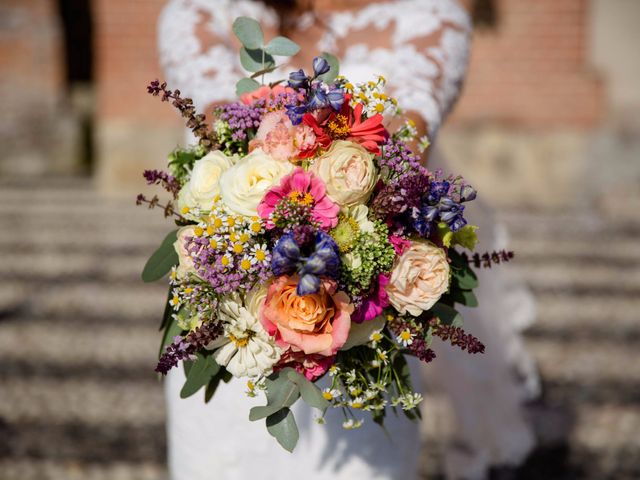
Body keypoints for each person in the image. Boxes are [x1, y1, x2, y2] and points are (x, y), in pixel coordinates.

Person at [157, 1, 539, 478]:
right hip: (227, 320)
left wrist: (343, 238)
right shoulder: (203, 10)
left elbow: (408, 140)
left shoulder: (429, 17)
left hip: (360, 322)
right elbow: (217, 123)